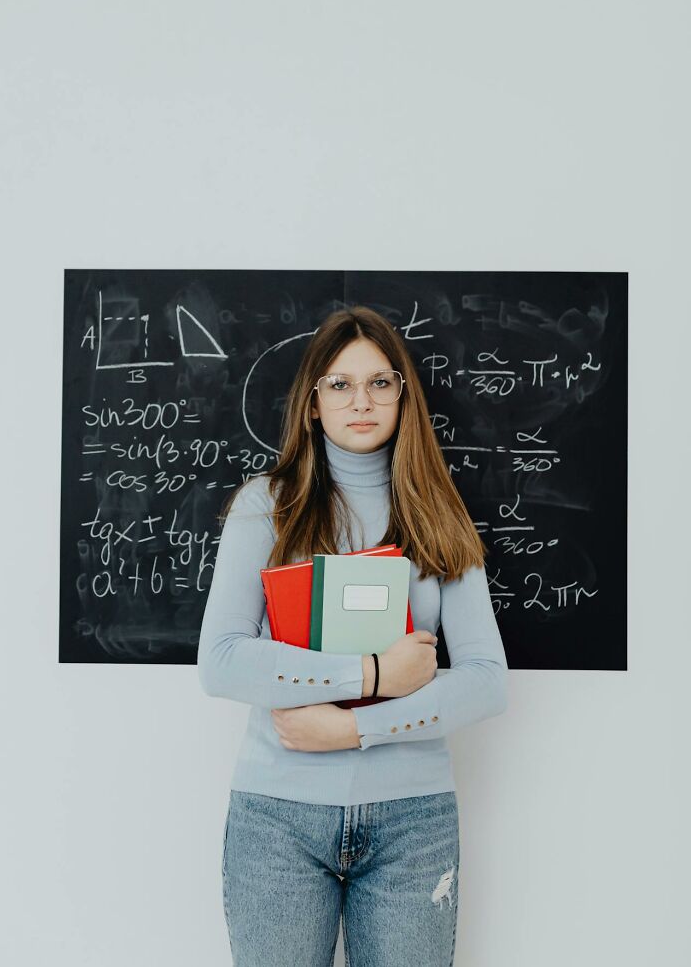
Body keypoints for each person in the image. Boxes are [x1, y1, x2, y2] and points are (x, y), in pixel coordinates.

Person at [197, 305, 508, 967]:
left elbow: (486, 681)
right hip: (277, 819)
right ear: (312, 404)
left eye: (380, 383)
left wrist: (355, 729)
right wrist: (370, 675)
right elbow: (222, 662)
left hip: (413, 823)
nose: (360, 401)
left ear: (403, 396)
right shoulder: (265, 505)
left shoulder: (439, 514)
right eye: (339, 384)